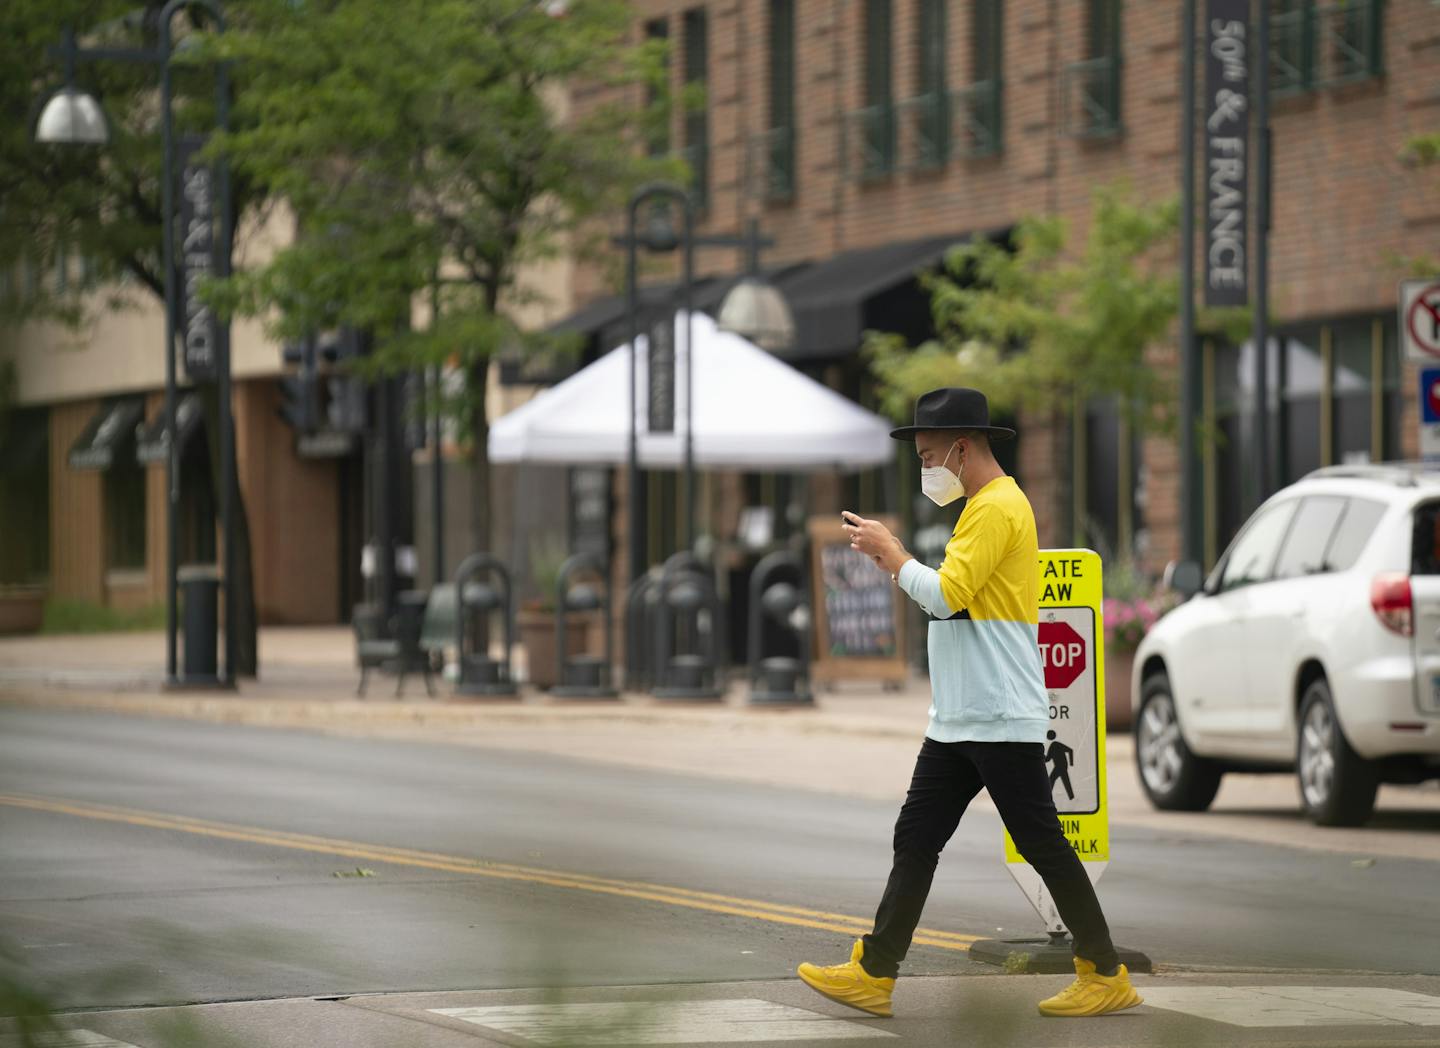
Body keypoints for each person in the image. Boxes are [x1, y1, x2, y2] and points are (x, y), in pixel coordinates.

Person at [796, 387, 1142, 1020]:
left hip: (998, 715)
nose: (925, 467)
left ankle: (1104, 971)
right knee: (917, 836)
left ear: (961, 447)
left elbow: (947, 595)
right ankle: (875, 971)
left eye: (929, 454)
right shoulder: (983, 507)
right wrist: (895, 560)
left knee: (1041, 844)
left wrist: (893, 555)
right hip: (962, 717)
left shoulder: (996, 508)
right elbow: (955, 597)